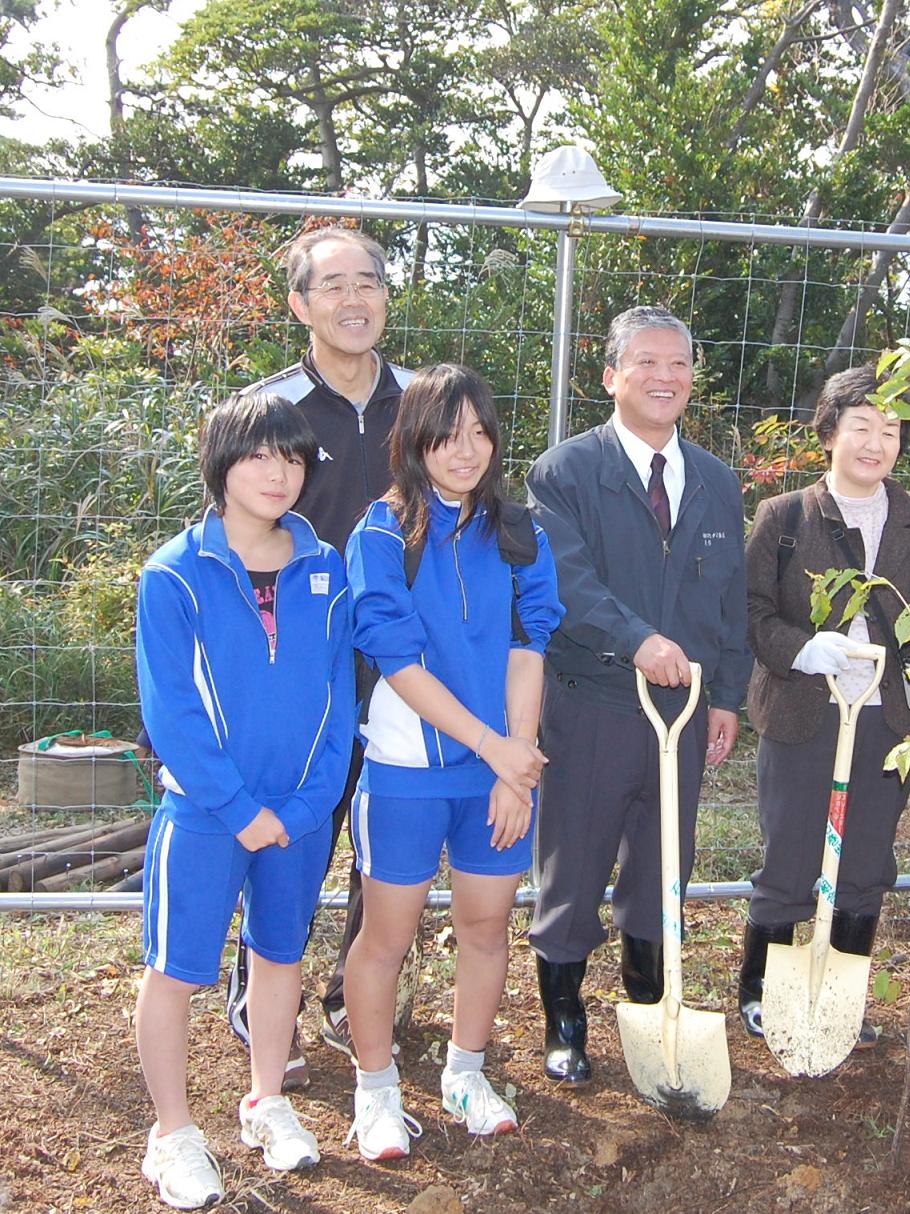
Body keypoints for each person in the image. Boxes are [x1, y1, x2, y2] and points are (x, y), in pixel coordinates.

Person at [134, 392, 354, 1208]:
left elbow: (340, 702)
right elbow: (172, 713)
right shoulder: (174, 574)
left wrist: (307, 806)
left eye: (291, 458)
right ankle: (173, 1134)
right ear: (222, 466)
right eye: (259, 456)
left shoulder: (326, 568)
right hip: (204, 814)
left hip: (297, 814)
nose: (277, 472)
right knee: (176, 968)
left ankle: (267, 1100)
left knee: (280, 957)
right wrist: (237, 808)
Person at [525, 305, 751, 1084]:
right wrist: (637, 640)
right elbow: (566, 582)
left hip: (684, 713)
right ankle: (564, 1017)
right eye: (646, 363)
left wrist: (725, 693)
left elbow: (731, 600)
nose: (665, 377)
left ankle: (651, 1002)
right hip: (592, 702)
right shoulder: (565, 472)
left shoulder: (716, 482)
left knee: (665, 862)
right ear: (610, 376)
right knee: (575, 861)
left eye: (679, 363)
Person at [341, 364, 562, 1158]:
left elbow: (528, 643)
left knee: (486, 924)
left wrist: (515, 767)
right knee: (385, 936)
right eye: (447, 434)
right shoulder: (380, 531)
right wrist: (493, 747)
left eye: (479, 432)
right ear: (416, 441)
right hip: (407, 772)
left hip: (497, 775)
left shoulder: (515, 528)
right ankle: (375, 1090)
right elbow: (397, 660)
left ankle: (465, 1072)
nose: (465, 451)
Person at [226, 224, 416, 1088]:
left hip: (406, 668)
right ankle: (263, 997)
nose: (353, 299)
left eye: (368, 281)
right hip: (298, 670)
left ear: (387, 295)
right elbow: (230, 541)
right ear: (299, 303)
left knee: (387, 842)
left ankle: (354, 991)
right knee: (296, 832)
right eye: (331, 285)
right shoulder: (266, 414)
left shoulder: (426, 405)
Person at [738, 363, 910, 1041]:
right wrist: (801, 649)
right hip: (804, 712)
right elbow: (750, 607)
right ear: (828, 432)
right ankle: (761, 989)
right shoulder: (785, 516)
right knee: (791, 855)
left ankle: (840, 995)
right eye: (860, 426)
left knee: (864, 860)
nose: (875, 443)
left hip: (888, 720)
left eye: (890, 430)